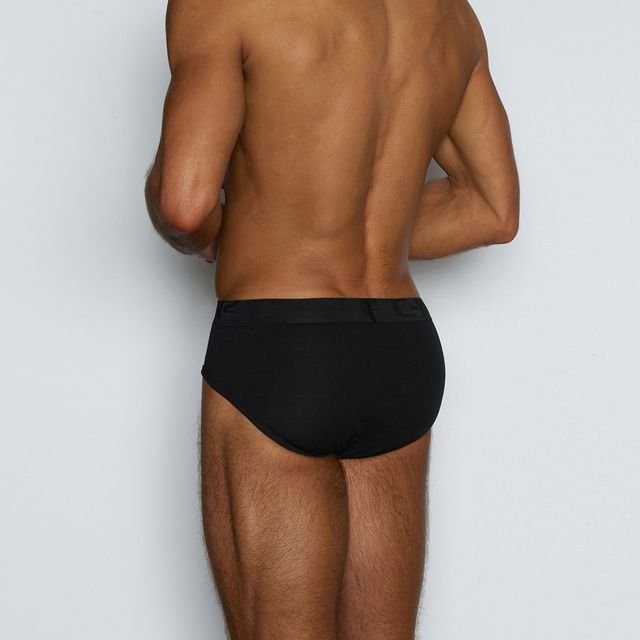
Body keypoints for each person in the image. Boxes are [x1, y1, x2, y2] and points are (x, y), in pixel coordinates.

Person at [144, 0, 519, 637]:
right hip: (399, 352)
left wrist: (250, 230)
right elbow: (492, 209)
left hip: (283, 350)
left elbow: (185, 204)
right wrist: (354, 227)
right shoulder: (448, 15)